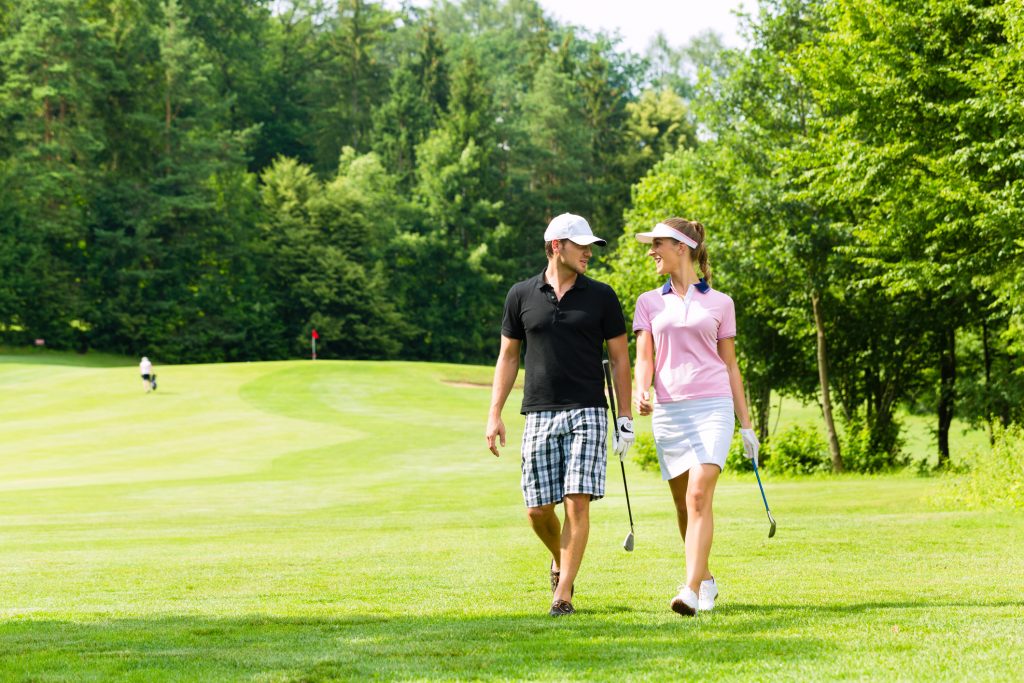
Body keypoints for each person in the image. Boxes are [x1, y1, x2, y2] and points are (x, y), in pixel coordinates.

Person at [486, 213, 634, 618]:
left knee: (576, 504)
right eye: (581, 245)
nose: (589, 252)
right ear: (556, 246)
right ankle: (561, 557)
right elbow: (508, 356)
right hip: (538, 411)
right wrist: (494, 413)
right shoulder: (521, 294)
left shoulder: (602, 296)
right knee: (536, 509)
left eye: (590, 245)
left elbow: (620, 360)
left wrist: (624, 417)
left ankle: (563, 594)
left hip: (588, 410)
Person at [631, 218, 759, 616]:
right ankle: (705, 580)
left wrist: (747, 425)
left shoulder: (721, 302)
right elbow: (644, 358)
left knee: (699, 494)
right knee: (685, 508)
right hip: (670, 413)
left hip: (712, 407)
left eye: (658, 245)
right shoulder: (648, 302)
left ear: (681, 248)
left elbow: (731, 366)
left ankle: (688, 588)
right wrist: (642, 389)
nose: (652, 251)